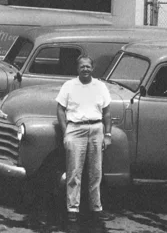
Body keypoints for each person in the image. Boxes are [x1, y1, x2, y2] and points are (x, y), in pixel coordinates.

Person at [55, 55, 113, 223]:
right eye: (82, 67)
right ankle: (72, 208)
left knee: (96, 172)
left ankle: (96, 208)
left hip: (96, 129)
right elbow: (60, 110)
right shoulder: (69, 86)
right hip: (75, 129)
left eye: (88, 66)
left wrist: (107, 134)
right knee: (74, 172)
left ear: (92, 68)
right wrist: (66, 132)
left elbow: (107, 112)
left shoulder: (100, 86)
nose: (85, 69)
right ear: (77, 68)